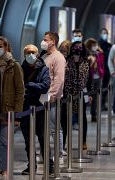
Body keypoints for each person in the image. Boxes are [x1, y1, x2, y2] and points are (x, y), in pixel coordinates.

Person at [0, 36, 24, 178]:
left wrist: (17, 113)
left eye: (0, 46)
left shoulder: (14, 65)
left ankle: (4, 169)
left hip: (8, 109)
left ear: (5, 47)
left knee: (4, 141)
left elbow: (20, 90)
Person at [20, 44, 53, 175]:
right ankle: (31, 164)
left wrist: (29, 85)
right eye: (28, 53)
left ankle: (49, 164)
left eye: (33, 52)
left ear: (38, 54)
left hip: (39, 108)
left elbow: (45, 86)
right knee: (28, 141)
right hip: (25, 108)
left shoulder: (43, 69)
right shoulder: (21, 69)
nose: (31, 55)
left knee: (43, 137)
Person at [41, 31, 66, 159]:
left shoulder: (59, 57)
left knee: (54, 127)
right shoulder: (45, 56)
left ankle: (59, 152)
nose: (43, 42)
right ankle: (46, 153)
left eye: (46, 40)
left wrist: (53, 95)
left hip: (51, 98)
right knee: (44, 128)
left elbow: (59, 79)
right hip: (42, 97)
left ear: (53, 41)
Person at [63, 41, 90, 150]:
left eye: (80, 47)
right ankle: (63, 143)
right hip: (68, 93)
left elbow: (89, 79)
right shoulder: (66, 61)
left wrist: (89, 93)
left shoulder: (86, 61)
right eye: (75, 47)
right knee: (65, 119)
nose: (77, 49)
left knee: (82, 118)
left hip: (81, 93)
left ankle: (83, 141)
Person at [85, 38, 104, 122]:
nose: (95, 47)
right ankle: (83, 114)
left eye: (96, 45)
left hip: (98, 77)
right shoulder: (86, 54)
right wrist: (91, 61)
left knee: (96, 97)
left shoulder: (99, 54)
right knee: (87, 96)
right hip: (90, 78)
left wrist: (101, 73)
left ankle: (94, 114)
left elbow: (102, 64)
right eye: (93, 45)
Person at [98, 28, 112, 110]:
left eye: (106, 33)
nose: (105, 34)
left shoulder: (109, 45)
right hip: (100, 69)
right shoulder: (97, 45)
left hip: (107, 69)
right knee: (99, 86)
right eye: (103, 33)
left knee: (105, 86)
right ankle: (98, 104)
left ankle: (103, 103)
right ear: (100, 34)